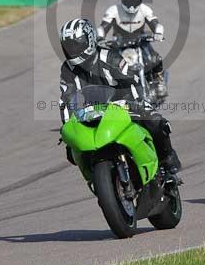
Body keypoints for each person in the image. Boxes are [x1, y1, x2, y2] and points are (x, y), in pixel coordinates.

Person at [58, 18, 181, 172]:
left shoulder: (110, 57)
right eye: (68, 46)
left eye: (75, 45)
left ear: (89, 39)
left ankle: (167, 156)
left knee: (155, 122)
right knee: (72, 151)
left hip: (125, 102)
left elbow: (133, 79)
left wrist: (138, 103)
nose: (72, 51)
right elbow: (66, 98)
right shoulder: (67, 69)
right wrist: (67, 126)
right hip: (91, 112)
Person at [97, 0, 167, 99]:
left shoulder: (145, 10)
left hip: (140, 41)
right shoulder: (113, 10)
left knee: (155, 59)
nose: (131, 6)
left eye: (134, 2)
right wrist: (100, 37)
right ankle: (108, 93)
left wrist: (158, 33)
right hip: (119, 44)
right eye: (129, 2)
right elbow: (103, 27)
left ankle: (159, 84)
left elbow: (156, 24)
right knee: (106, 66)